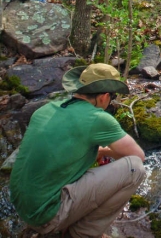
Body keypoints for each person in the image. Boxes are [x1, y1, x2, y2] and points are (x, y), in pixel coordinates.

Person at [10, 63, 146, 238]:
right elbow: (138, 156)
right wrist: (105, 152)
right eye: (112, 96)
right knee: (134, 169)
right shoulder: (98, 118)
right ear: (104, 97)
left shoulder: (45, 109)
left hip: (22, 207)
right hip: (46, 217)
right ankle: (83, 233)